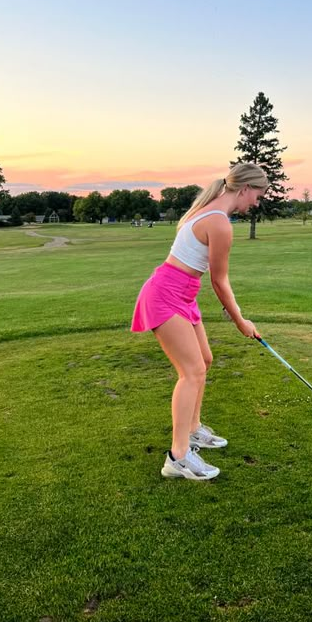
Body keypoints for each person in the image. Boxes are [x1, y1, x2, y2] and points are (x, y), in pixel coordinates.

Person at [131, 163, 269, 481]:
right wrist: (240, 321)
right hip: (166, 294)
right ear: (245, 188)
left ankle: (192, 431)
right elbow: (220, 283)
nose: (256, 203)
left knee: (204, 360)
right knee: (191, 372)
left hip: (182, 294)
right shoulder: (219, 223)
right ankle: (177, 457)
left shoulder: (207, 208)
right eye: (257, 196)